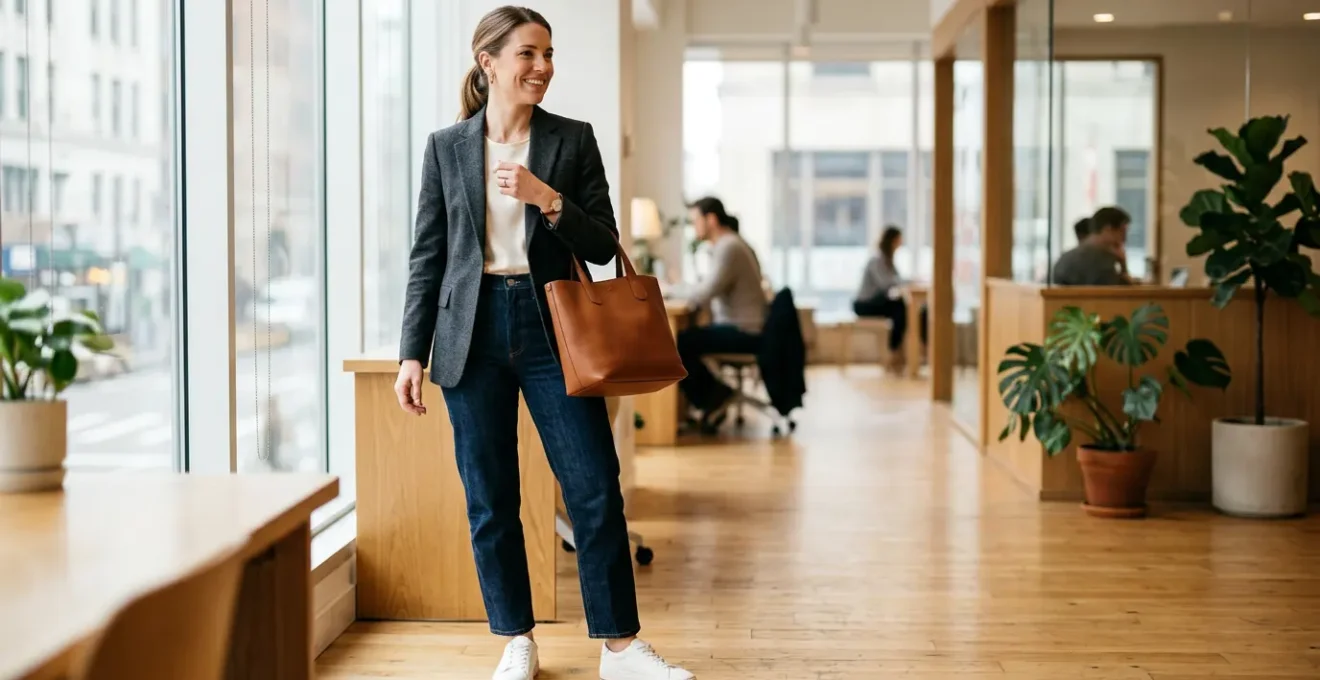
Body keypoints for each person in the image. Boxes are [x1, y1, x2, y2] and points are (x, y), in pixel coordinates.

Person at [393, 7, 694, 680]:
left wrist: (547, 199)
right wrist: (411, 353)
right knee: (490, 495)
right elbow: (427, 256)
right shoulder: (446, 147)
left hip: (553, 327)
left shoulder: (571, 140)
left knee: (593, 486)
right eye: (528, 53)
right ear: (488, 61)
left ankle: (620, 648)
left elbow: (603, 244)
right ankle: (516, 640)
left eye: (549, 54)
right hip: (469, 334)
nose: (543, 66)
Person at [675, 197, 766, 429]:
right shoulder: (730, 244)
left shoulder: (729, 247)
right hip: (744, 326)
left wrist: (667, 290)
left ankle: (714, 398)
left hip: (743, 330)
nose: (693, 227)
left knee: (677, 343)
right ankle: (713, 398)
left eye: (696, 220)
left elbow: (705, 292)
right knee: (685, 340)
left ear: (711, 219)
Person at [852, 226, 923, 371]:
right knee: (900, 309)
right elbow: (887, 284)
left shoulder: (888, 261)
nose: (901, 243)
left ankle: (897, 353)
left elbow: (897, 280)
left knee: (902, 309)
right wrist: (909, 282)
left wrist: (910, 281)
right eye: (899, 240)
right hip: (864, 304)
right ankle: (894, 353)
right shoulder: (877, 261)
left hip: (876, 302)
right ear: (892, 240)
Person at [1051, 206, 1133, 286]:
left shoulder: (1066, 257)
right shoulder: (1102, 260)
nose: (1124, 239)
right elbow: (1121, 291)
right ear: (1108, 229)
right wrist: (1123, 266)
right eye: (1122, 231)